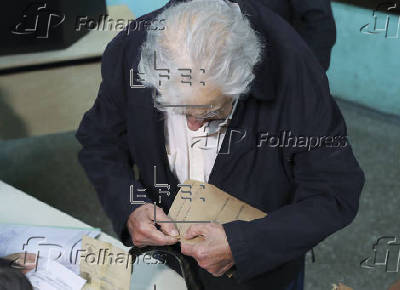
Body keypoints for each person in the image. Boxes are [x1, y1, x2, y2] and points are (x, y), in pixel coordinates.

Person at [76, 0, 365, 289]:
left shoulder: (295, 72)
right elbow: (100, 142)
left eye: (209, 114)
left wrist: (244, 244)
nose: (192, 126)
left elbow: (334, 192)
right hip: (165, 265)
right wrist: (130, 205)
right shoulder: (132, 48)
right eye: (175, 109)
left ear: (244, 79)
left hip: (259, 275)